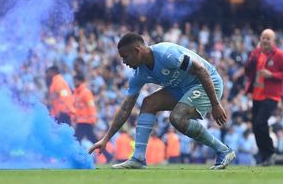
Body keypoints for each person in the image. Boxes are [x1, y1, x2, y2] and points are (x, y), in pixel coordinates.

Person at [88, 32, 235, 170]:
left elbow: (201, 70)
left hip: (207, 83)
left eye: (125, 56)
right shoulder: (139, 74)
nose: (124, 62)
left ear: (137, 51)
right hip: (181, 87)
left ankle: (223, 150)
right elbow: (126, 107)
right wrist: (106, 138)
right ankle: (138, 158)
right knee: (148, 103)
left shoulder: (166, 54)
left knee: (177, 118)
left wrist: (215, 104)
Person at [244, 29, 283, 166]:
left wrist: (272, 75)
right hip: (256, 94)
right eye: (263, 38)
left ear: (273, 41)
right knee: (255, 126)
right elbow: (247, 71)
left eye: (268, 38)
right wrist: (252, 59)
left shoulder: (279, 55)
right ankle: (266, 156)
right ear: (260, 39)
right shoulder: (256, 53)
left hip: (272, 95)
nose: (265, 41)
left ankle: (270, 152)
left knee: (260, 123)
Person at [73, 74, 98, 144]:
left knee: (76, 141)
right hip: (81, 121)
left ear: (80, 81)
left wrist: (93, 118)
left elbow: (91, 106)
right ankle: (108, 155)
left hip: (85, 121)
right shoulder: (76, 93)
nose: (74, 83)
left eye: (75, 81)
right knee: (94, 141)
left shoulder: (86, 92)